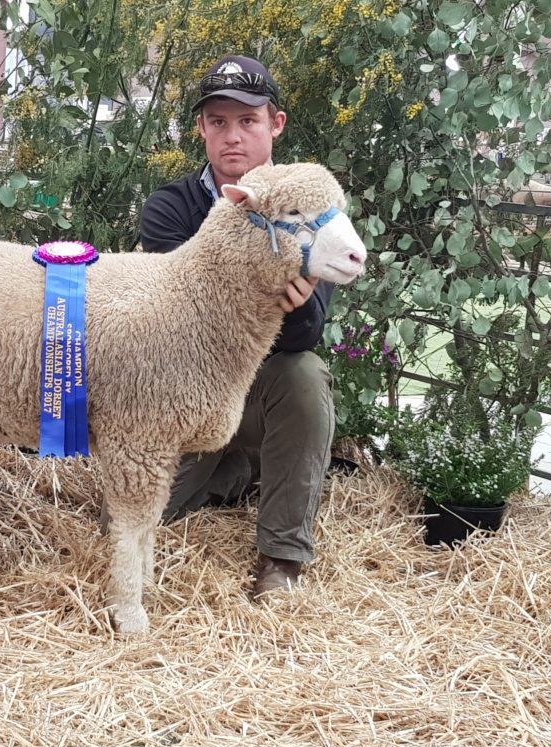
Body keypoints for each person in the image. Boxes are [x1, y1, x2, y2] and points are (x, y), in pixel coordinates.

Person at [138, 54, 336, 599]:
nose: (233, 137)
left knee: (305, 375)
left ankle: (282, 558)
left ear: (276, 125)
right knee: (146, 517)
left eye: (248, 121)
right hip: (183, 395)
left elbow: (306, 335)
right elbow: (174, 322)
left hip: (257, 394)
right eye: (218, 121)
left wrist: (294, 306)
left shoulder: (309, 206)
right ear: (200, 128)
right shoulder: (168, 210)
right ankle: (234, 474)